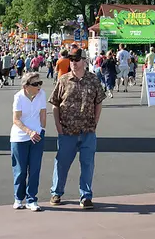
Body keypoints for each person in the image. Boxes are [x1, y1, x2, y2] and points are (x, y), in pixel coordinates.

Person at [50, 47, 105, 208]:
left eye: (76, 59)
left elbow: (98, 102)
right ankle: (56, 192)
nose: (73, 63)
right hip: (67, 130)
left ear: (84, 61)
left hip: (88, 130)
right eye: (71, 60)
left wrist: (95, 122)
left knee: (87, 164)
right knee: (62, 163)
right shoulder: (63, 80)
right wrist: (58, 126)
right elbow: (55, 104)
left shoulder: (93, 80)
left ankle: (86, 196)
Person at [12, 71, 47, 212]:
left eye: (40, 83)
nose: (39, 86)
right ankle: (18, 198)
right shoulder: (18, 97)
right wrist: (29, 131)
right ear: (26, 86)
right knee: (20, 170)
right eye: (35, 84)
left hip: (37, 136)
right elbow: (16, 119)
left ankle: (32, 199)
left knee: (35, 169)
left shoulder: (42, 94)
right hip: (20, 137)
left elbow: (43, 112)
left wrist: (41, 129)